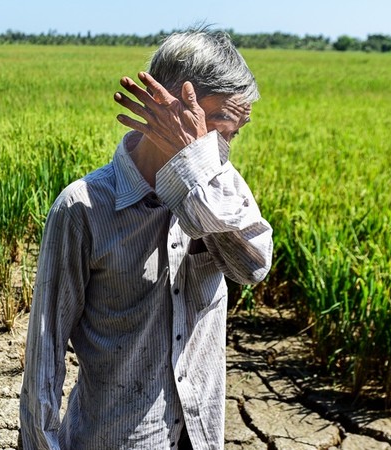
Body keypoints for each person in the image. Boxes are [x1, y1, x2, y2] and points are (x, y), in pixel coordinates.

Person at [19, 29, 273, 450]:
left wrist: (195, 172)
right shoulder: (82, 208)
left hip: (200, 437)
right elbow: (44, 358)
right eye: (220, 132)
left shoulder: (223, 185)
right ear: (167, 107)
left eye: (232, 137)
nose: (224, 152)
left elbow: (252, 266)